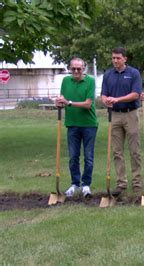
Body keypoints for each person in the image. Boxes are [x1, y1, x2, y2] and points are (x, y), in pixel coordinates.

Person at [101, 47, 142, 196]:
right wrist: (106, 101)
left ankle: (137, 182)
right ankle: (121, 183)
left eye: (118, 58)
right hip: (114, 115)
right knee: (117, 151)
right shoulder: (108, 74)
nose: (115, 61)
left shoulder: (133, 73)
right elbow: (103, 95)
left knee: (134, 151)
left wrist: (117, 99)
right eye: (113, 58)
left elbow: (135, 94)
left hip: (130, 113)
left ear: (125, 59)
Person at [55, 57, 98, 198]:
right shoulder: (66, 81)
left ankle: (86, 185)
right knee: (73, 156)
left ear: (83, 68)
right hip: (72, 124)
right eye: (73, 68)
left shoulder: (90, 81)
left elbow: (87, 104)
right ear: (69, 68)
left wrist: (68, 103)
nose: (76, 71)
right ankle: (75, 183)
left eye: (79, 68)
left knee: (88, 157)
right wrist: (59, 103)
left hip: (89, 125)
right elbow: (62, 100)